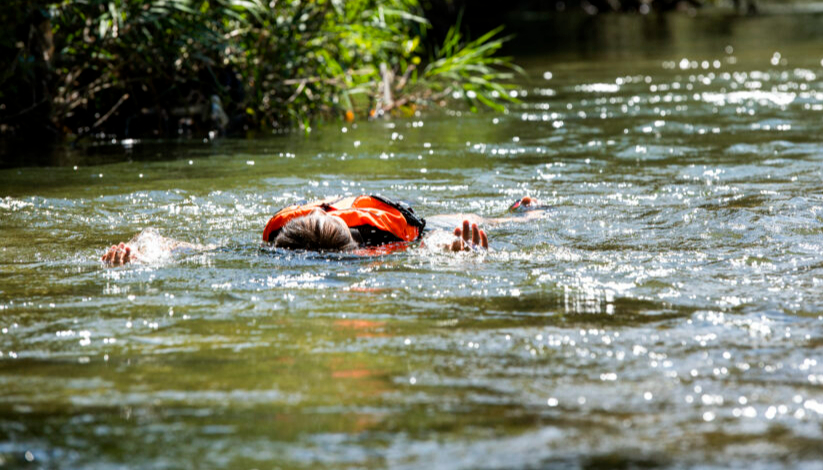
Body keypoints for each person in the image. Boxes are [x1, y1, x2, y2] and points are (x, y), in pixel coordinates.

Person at [102, 195, 542, 265]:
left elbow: (435, 245)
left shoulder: (379, 240)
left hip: (399, 224)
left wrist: (455, 248)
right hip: (320, 226)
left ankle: (520, 211)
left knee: (482, 222)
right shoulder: (277, 245)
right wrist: (144, 252)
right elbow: (181, 244)